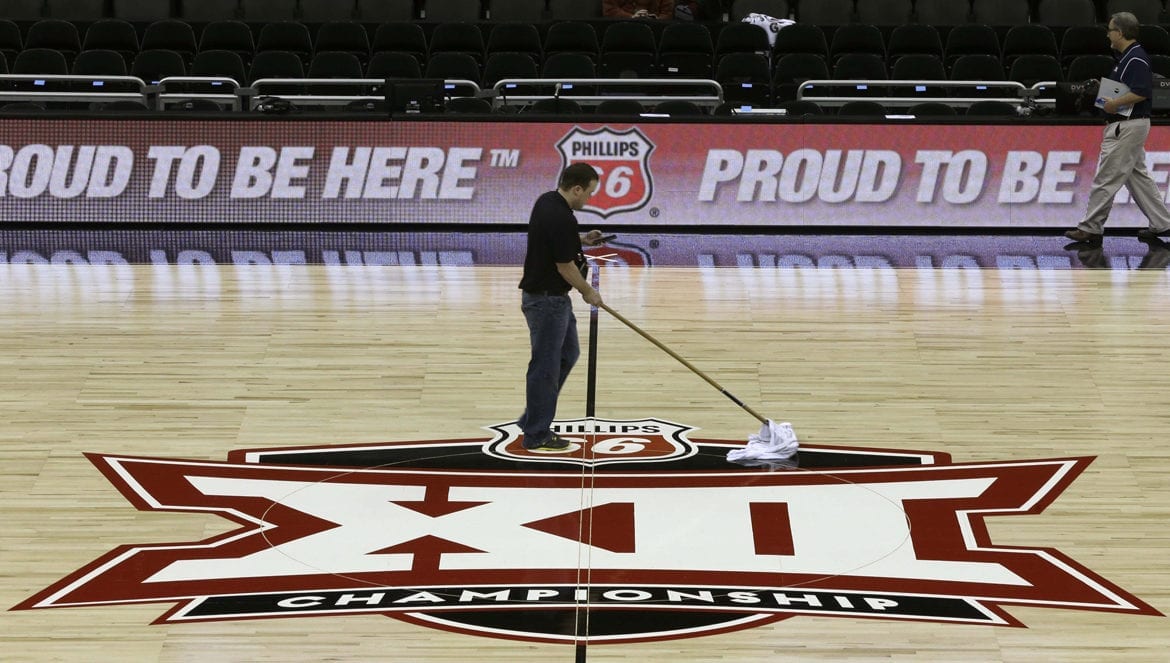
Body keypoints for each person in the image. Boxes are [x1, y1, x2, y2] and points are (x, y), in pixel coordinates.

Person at [517, 163, 606, 451]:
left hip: (553, 299)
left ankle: (534, 416)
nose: (589, 199)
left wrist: (582, 239)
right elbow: (565, 265)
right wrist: (588, 291)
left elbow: (556, 242)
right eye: (589, 193)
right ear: (577, 188)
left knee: (568, 353)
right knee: (545, 367)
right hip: (547, 301)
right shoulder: (560, 217)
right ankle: (537, 433)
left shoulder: (548, 201)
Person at [1065, 12, 1170, 245]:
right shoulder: (1127, 58)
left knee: (1106, 178)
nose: (1107, 34)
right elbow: (1126, 89)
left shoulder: (1136, 59)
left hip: (1127, 126)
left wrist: (1112, 103)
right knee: (1138, 178)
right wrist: (1104, 95)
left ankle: (1090, 228)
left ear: (1120, 33)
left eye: (1110, 30)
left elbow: (1141, 91)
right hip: (1126, 125)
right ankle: (1162, 223)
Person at [603, 0, 675, 20]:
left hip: (655, 30)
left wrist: (654, 19)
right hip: (623, 28)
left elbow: (667, 14)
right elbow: (609, 10)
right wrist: (631, 17)